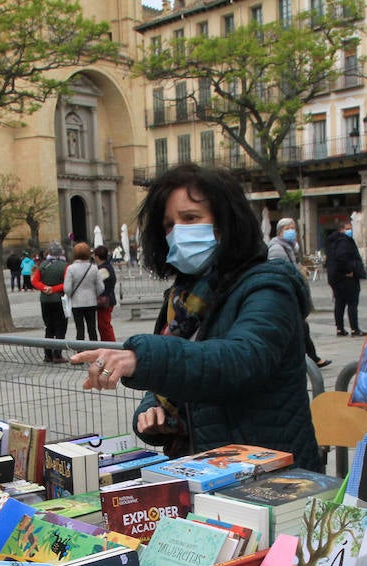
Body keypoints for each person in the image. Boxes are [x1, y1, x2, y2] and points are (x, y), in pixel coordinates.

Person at [71, 164, 323, 471]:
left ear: (226, 222)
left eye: (190, 218)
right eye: (168, 225)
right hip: (204, 470)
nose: (177, 232)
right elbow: (180, 374)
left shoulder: (269, 286)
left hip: (269, 473)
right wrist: (152, 411)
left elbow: (242, 360)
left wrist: (142, 357)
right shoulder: (182, 299)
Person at [267, 216, 330, 368]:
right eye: (287, 228)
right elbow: (278, 271)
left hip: (291, 295)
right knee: (300, 328)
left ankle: (309, 358)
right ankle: (309, 359)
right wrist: (297, 273)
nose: (291, 231)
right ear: (280, 231)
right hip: (285, 296)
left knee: (300, 328)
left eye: (292, 228)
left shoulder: (290, 247)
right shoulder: (277, 248)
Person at [30, 243, 69, 362]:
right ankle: (57, 354)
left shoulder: (42, 265)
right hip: (59, 300)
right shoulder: (65, 266)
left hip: (45, 300)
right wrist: (54, 289)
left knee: (49, 327)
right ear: (60, 253)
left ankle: (47, 355)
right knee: (60, 328)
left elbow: (34, 281)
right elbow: (67, 283)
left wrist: (44, 287)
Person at [325, 219, 364, 335]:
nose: (350, 231)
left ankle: (340, 328)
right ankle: (354, 328)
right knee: (352, 303)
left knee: (339, 303)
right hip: (346, 278)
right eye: (347, 228)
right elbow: (341, 257)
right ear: (341, 230)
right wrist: (350, 270)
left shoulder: (332, 241)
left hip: (334, 277)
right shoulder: (344, 241)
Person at [63, 242, 103, 342]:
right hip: (91, 302)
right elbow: (101, 287)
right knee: (92, 329)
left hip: (77, 303)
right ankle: (94, 350)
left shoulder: (71, 269)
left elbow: (67, 288)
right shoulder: (94, 268)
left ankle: (80, 352)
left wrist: (71, 295)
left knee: (79, 330)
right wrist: (94, 294)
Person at [93, 244, 118, 342]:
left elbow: (96, 283)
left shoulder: (103, 269)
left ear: (97, 257)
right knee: (103, 325)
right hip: (108, 299)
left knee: (104, 325)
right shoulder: (108, 266)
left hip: (105, 300)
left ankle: (111, 345)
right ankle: (108, 344)